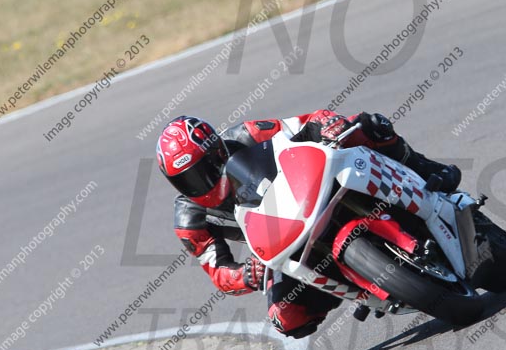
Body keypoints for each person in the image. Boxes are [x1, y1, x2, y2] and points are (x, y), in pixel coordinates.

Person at [156, 110, 460, 338]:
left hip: (311, 189)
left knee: (367, 124)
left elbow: (305, 122)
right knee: (285, 317)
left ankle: (427, 171)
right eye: (187, 180)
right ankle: (356, 283)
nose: (202, 182)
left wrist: (328, 125)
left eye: (206, 168)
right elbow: (218, 271)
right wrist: (246, 274)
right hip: (282, 243)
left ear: (218, 150)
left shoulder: (247, 134)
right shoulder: (189, 220)